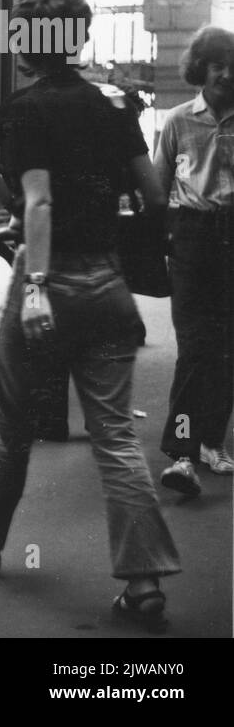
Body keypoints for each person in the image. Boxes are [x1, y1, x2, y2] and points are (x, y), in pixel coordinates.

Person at [0, 0, 180, 630]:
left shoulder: (22, 109)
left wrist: (35, 262)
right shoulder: (111, 109)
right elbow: (155, 197)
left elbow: (4, 175)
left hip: (44, 282)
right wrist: (110, 226)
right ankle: (143, 581)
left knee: (12, 428)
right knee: (115, 436)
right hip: (105, 286)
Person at [154, 26, 234, 496]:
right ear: (200, 68)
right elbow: (159, 187)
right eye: (216, 63)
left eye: (232, 64)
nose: (225, 73)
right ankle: (181, 453)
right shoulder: (179, 121)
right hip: (193, 235)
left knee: (229, 348)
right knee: (195, 347)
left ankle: (210, 441)